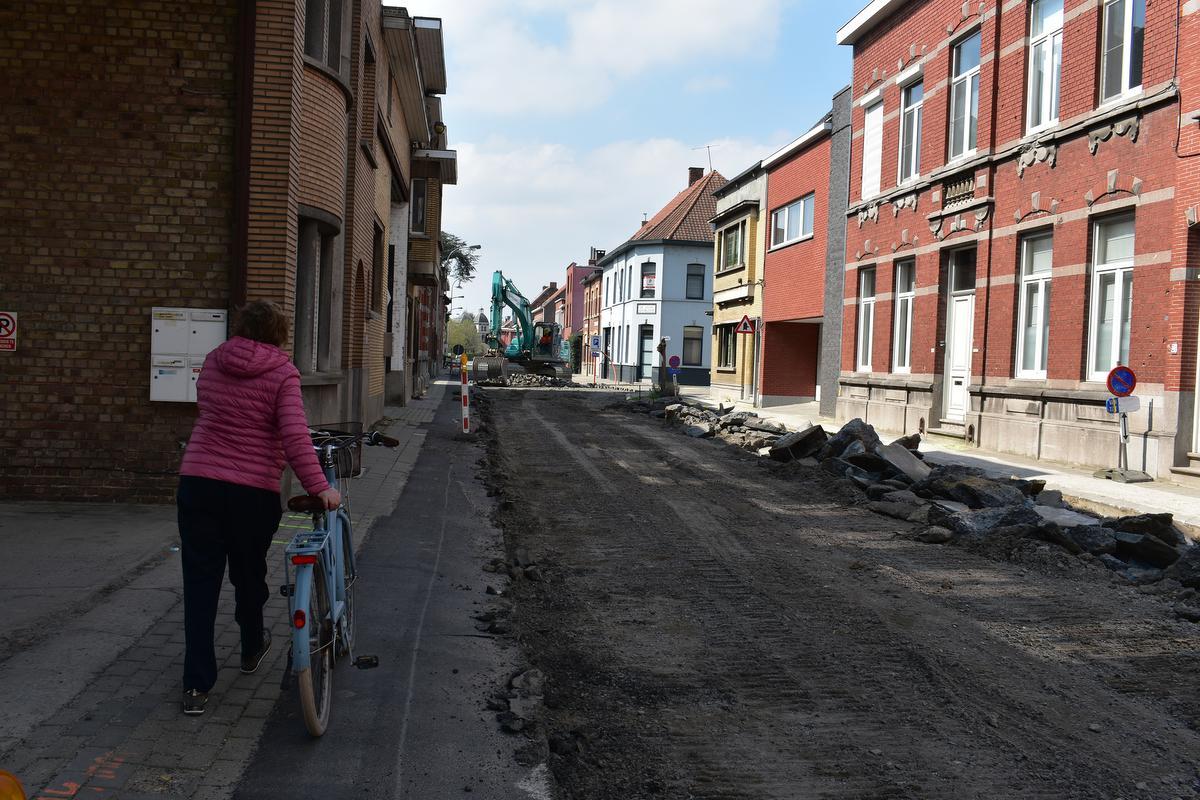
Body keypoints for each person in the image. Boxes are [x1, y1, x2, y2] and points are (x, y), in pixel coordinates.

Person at [176, 300, 339, 716]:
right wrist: (320, 487)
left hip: (198, 483)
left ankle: (196, 685)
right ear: (279, 333)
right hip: (251, 493)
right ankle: (252, 647)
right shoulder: (282, 372)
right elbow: (294, 436)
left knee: (199, 585)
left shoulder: (214, 361)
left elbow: (207, 412)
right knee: (248, 576)